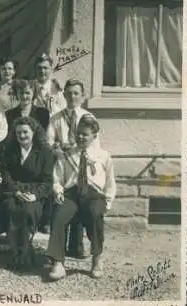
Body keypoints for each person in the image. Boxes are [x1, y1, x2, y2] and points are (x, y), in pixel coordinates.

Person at [47, 115, 116, 280]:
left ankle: (97, 258)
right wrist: (58, 191)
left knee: (94, 213)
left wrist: (107, 201)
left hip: (94, 195)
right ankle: (58, 262)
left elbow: (110, 181)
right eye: (78, 133)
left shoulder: (103, 156)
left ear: (94, 135)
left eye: (85, 134)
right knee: (59, 214)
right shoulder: (67, 154)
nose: (80, 137)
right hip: (71, 194)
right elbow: (57, 177)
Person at [47, 79, 99, 258]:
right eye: (68, 93)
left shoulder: (89, 117)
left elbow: (95, 144)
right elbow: (49, 141)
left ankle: (76, 246)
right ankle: (61, 248)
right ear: (64, 95)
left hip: (81, 162)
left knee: (81, 196)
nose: (72, 97)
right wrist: (58, 150)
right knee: (66, 199)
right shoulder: (56, 117)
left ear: (82, 96)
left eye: (76, 93)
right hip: (62, 161)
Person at [0, 117, 54, 271]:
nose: (22, 136)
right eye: (18, 132)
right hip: (13, 191)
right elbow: (5, 174)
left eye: (25, 132)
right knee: (11, 209)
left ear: (33, 133)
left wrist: (35, 195)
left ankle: (25, 251)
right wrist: (15, 192)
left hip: (35, 193)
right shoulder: (9, 150)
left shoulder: (45, 152)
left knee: (29, 210)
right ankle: (16, 253)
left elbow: (48, 182)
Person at [5, 79, 51, 233]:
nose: (24, 96)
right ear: (17, 94)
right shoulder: (9, 114)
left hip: (37, 153)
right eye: (21, 93)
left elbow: (44, 137)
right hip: (17, 154)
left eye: (27, 93)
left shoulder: (42, 113)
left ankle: (43, 220)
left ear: (33, 94)